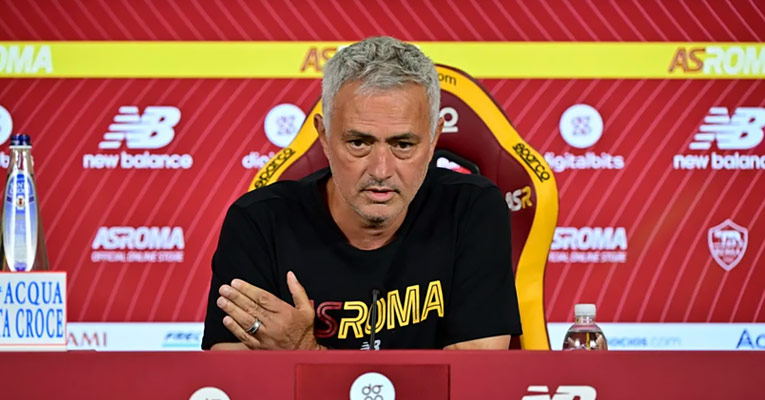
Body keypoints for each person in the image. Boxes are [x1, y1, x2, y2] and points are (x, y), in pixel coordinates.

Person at [202, 36, 521, 350]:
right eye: (359, 143)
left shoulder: (472, 209)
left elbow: (475, 373)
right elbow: (231, 372)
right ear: (324, 136)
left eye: (403, 145)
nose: (381, 170)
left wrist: (304, 351)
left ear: (434, 138)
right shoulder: (259, 222)